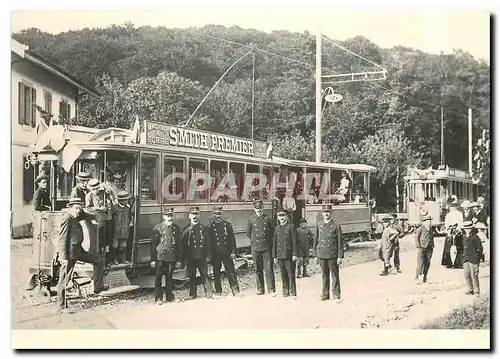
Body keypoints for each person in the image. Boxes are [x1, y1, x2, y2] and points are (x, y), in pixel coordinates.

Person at [56, 198, 108, 313]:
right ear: (70, 208)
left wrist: (97, 209)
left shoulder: (76, 216)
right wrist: (63, 257)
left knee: (98, 260)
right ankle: (62, 306)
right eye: (76, 208)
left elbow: (85, 213)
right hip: (69, 254)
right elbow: (62, 239)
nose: (78, 210)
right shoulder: (67, 218)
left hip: (78, 251)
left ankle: (97, 288)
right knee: (64, 278)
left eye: (80, 208)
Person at [181, 207, 215, 300]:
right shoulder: (185, 229)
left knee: (204, 274)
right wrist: (183, 259)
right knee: (192, 276)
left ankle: (209, 293)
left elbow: (208, 243)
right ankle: (192, 294)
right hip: (191, 257)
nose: (194, 216)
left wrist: (208, 255)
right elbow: (183, 246)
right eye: (193, 214)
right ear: (189, 216)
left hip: (202, 256)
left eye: (196, 214)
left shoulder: (204, 229)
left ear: (199, 215)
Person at [313, 204, 344, 302]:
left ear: (331, 213)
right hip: (322, 254)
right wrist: (315, 255)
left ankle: (336, 295)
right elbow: (315, 240)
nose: (326, 214)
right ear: (322, 213)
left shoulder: (336, 225)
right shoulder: (319, 224)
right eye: (325, 212)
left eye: (328, 212)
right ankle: (325, 294)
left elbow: (340, 241)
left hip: (332, 254)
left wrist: (340, 256)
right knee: (324, 275)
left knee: (334, 275)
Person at [151, 208, 181, 305]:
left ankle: (170, 297)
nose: (170, 217)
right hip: (160, 256)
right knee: (158, 276)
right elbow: (153, 245)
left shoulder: (176, 228)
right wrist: (152, 259)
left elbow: (179, 245)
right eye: (167, 215)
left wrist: (179, 259)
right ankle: (158, 297)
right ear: (164, 217)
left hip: (172, 255)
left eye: (171, 215)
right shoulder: (158, 227)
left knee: (169, 277)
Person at [209, 206, 241, 297]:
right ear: (213, 215)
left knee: (231, 272)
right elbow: (209, 242)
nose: (217, 216)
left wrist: (233, 252)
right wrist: (210, 254)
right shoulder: (210, 226)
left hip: (227, 252)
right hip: (216, 253)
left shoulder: (227, 225)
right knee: (216, 273)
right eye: (216, 214)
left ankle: (235, 291)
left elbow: (232, 239)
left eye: (219, 214)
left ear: (222, 214)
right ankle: (218, 291)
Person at [246, 200, 276, 296]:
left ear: (263, 208)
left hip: (266, 247)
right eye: (257, 208)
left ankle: (271, 289)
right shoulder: (251, 219)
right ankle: (260, 288)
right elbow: (248, 233)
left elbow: (273, 233)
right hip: (255, 248)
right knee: (257, 269)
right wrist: (256, 241)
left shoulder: (269, 219)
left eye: (260, 208)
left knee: (269, 269)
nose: (259, 210)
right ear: (254, 209)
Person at [85, 179, 114, 266]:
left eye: (97, 189)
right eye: (93, 189)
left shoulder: (104, 194)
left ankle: (107, 260)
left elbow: (110, 203)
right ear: (90, 189)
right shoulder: (89, 196)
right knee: (99, 241)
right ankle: (99, 261)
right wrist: (98, 209)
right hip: (97, 221)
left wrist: (107, 209)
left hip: (107, 219)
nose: (95, 191)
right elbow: (87, 209)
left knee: (107, 240)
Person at [272, 209, 298, 298]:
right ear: (278, 218)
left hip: (289, 254)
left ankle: (293, 291)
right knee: (283, 273)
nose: (281, 218)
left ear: (286, 217)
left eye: (283, 216)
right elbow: (274, 243)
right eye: (279, 216)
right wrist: (274, 256)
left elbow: (295, 241)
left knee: (291, 273)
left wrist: (295, 254)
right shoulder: (277, 228)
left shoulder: (291, 227)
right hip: (280, 255)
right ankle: (285, 291)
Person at [461, 221, 483, 297]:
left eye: (468, 228)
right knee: (467, 274)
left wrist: (478, 258)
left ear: (471, 228)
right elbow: (461, 247)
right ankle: (470, 289)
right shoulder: (463, 236)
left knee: (474, 275)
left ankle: (476, 291)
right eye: (465, 229)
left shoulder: (475, 237)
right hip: (465, 258)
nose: (467, 230)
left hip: (473, 258)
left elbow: (480, 248)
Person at [111, 190, 133, 264]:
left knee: (122, 246)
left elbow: (130, 217)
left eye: (126, 200)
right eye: (123, 200)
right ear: (119, 201)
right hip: (116, 231)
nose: (125, 201)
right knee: (115, 246)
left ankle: (122, 259)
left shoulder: (128, 208)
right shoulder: (114, 208)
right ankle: (114, 259)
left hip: (125, 230)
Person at [441, 203, 464, 268]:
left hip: (457, 230)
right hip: (450, 230)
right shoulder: (448, 215)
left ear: (456, 207)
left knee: (459, 247)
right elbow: (446, 223)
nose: (452, 208)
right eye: (451, 206)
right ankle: (449, 263)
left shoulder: (459, 214)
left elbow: (461, 222)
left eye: (454, 206)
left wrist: (457, 228)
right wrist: (449, 228)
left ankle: (458, 263)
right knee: (448, 247)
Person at [414, 215, 435, 283]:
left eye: (430, 221)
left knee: (427, 263)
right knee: (420, 263)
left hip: (429, 248)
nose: (429, 223)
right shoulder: (420, 229)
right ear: (424, 222)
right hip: (422, 248)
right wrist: (418, 246)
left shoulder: (431, 229)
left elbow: (431, 237)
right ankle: (417, 276)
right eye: (427, 221)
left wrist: (432, 245)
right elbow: (416, 238)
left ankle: (424, 276)